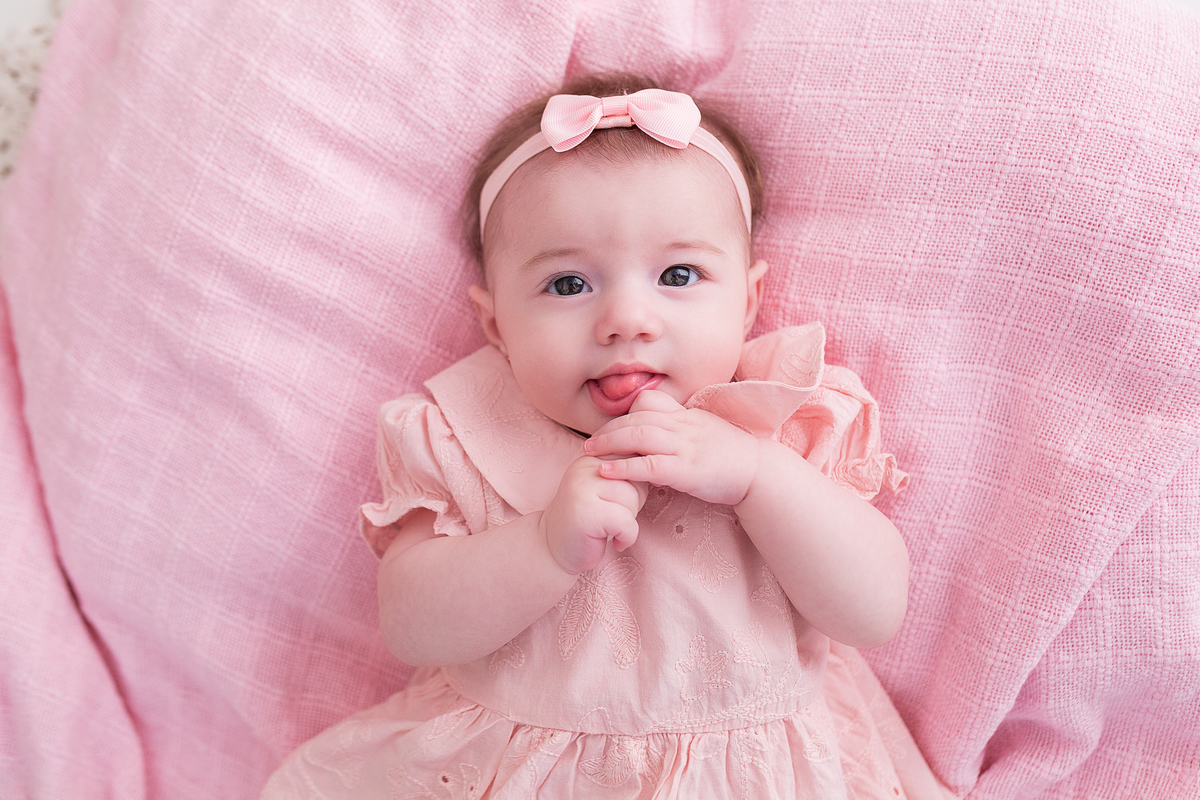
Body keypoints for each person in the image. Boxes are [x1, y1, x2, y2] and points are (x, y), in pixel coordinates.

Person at [261, 72, 949, 799]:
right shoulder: (464, 440)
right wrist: (542, 544)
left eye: (678, 274)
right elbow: (411, 626)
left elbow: (874, 612)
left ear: (749, 303)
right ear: (496, 325)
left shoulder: (783, 424)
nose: (625, 320)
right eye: (568, 285)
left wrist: (758, 476)